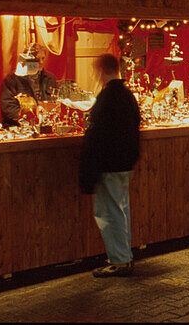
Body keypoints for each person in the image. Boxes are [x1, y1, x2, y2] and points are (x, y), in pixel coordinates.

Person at [79, 54, 142, 278]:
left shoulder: (107, 98)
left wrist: (89, 167)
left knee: (109, 213)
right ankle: (123, 257)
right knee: (120, 209)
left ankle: (120, 260)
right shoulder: (127, 96)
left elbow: (98, 136)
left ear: (102, 70)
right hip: (124, 162)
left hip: (110, 164)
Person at [0, 44, 57, 127]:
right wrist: (33, 117)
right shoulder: (11, 80)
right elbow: (8, 109)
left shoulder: (50, 78)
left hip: (47, 126)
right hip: (19, 128)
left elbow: (55, 104)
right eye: (37, 59)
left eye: (43, 58)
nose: (41, 62)